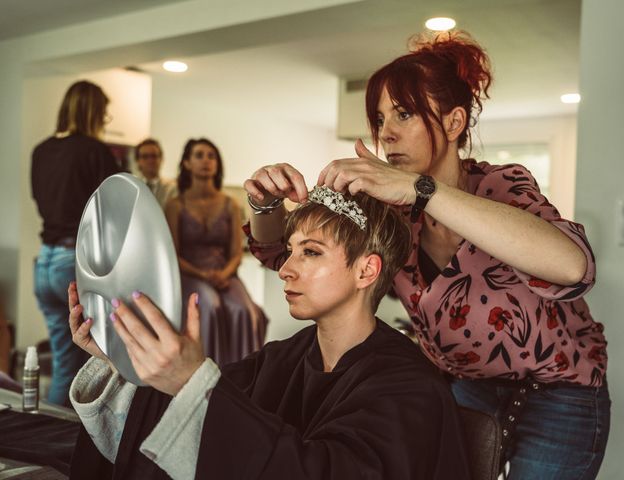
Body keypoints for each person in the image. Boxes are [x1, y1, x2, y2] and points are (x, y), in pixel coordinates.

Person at [243, 31, 610, 480]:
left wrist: (422, 190)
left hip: (558, 395)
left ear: (454, 123)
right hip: (462, 388)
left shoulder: (500, 188)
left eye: (404, 114)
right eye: (379, 119)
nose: (386, 134)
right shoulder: (395, 211)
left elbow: (574, 267)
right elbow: (279, 252)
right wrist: (266, 203)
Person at [67, 187, 470, 479]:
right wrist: (120, 353)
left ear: (367, 270)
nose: (285, 268)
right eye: (290, 250)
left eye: (310, 252)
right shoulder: (280, 359)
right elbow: (195, 426)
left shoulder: (410, 388)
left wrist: (193, 383)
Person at [31, 80, 120, 406]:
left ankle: (52, 443)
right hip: (74, 261)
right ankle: (70, 447)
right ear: (94, 111)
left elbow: (41, 201)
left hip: (43, 263)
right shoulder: (94, 150)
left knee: (63, 363)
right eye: (104, 113)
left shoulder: (41, 150)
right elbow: (114, 207)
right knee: (92, 363)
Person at [164, 138, 266, 364]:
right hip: (189, 274)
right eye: (199, 155)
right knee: (209, 305)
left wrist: (224, 273)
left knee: (245, 311)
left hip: (225, 275)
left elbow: (236, 251)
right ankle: (203, 377)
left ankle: (243, 378)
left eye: (211, 156)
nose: (206, 161)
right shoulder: (175, 205)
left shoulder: (230, 204)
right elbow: (172, 253)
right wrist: (203, 276)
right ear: (187, 163)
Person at [134, 138, 177, 207]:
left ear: (161, 159)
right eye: (145, 157)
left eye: (153, 156)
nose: (150, 161)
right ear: (138, 161)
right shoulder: (132, 187)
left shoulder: (172, 189)